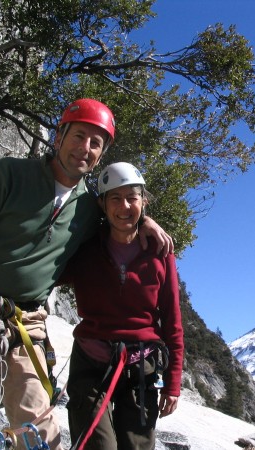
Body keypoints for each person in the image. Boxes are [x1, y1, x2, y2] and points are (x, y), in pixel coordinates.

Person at [0, 99, 173, 449]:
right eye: (79, 136)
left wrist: (145, 219)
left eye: (96, 143)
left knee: (41, 437)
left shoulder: (89, 209)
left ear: (101, 154)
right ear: (60, 135)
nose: (84, 148)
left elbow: (121, 220)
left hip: (20, 323)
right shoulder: (8, 175)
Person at [59, 162, 183, 450]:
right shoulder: (85, 248)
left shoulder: (160, 253)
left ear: (144, 202)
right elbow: (44, 273)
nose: (124, 206)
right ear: (102, 204)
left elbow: (172, 321)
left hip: (142, 367)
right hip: (92, 363)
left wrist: (173, 383)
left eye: (132, 198)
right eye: (115, 198)